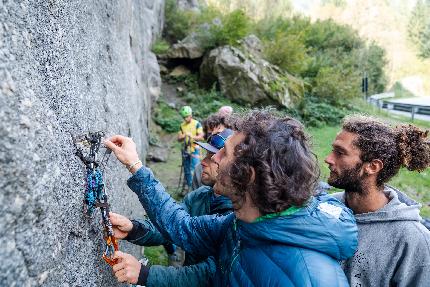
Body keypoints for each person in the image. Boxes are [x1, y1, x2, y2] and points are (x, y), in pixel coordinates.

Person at [105, 110, 358, 286]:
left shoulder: (308, 277)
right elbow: (184, 228)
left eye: (223, 154)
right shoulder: (243, 222)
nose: (213, 159)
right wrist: (135, 166)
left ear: (246, 175)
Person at [109, 129, 234, 287]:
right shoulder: (199, 196)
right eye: (207, 154)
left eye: (213, 156)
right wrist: (133, 229)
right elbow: (173, 226)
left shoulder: (238, 219)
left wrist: (145, 274)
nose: (204, 161)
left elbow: (206, 276)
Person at [325, 115, 430, 287]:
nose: (328, 159)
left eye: (340, 152)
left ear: (372, 167)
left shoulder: (413, 240)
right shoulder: (325, 209)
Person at [177, 105, 204, 192]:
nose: (185, 119)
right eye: (184, 117)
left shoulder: (197, 124)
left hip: (195, 149)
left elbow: (201, 137)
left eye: (187, 117)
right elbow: (178, 138)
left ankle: (198, 189)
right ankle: (190, 188)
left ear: (191, 115)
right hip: (186, 149)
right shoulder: (182, 126)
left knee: (196, 169)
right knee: (187, 169)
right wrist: (184, 135)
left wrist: (192, 136)